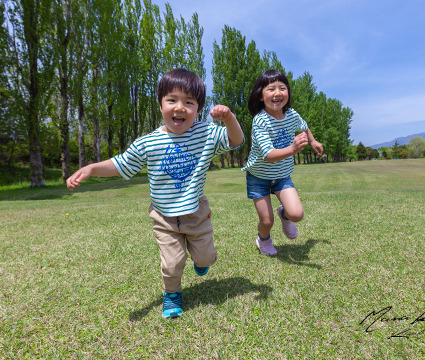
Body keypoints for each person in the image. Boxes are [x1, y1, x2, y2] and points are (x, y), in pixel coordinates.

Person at [66, 68, 244, 319]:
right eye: (172, 100)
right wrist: (92, 168)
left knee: (206, 258)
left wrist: (229, 118)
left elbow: (236, 140)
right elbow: (121, 163)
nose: (180, 107)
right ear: (160, 105)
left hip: (196, 212)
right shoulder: (148, 143)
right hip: (164, 217)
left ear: (198, 109)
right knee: (172, 263)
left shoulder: (205, 134)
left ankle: (201, 262)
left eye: (189, 102)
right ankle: (172, 294)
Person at [241, 69, 323, 256]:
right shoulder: (260, 121)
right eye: (271, 89)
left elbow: (304, 126)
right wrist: (293, 149)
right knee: (267, 221)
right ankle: (263, 240)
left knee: (296, 214)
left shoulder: (292, 114)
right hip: (259, 177)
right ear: (260, 96)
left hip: (281, 176)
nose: (277, 93)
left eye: (282, 88)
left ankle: (284, 214)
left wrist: (313, 141)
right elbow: (269, 155)